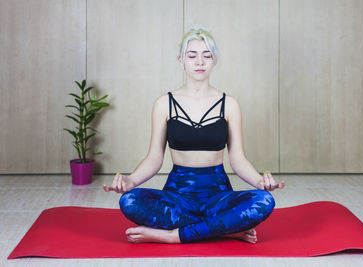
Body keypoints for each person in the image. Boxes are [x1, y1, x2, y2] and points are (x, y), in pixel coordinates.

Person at [103, 27, 285, 244]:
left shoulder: (230, 105)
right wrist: (130, 180)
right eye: (192, 55)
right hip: (177, 195)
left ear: (214, 61)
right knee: (129, 201)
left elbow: (238, 159)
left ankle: (172, 236)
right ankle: (223, 228)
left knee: (264, 201)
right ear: (181, 60)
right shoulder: (164, 104)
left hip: (218, 195)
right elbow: (154, 158)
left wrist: (259, 181)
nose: (200, 61)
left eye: (206, 55)